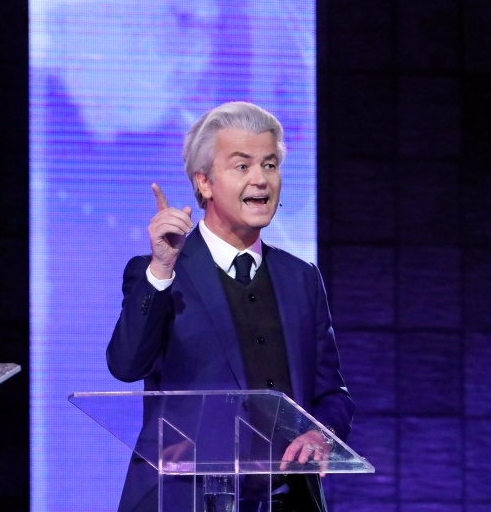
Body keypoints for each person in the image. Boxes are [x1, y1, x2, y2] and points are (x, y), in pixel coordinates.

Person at [107, 102, 354, 512]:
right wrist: (161, 270)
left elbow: (332, 393)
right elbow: (126, 365)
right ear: (203, 183)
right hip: (184, 499)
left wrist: (321, 434)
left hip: (287, 502)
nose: (260, 179)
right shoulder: (158, 272)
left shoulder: (301, 279)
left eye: (270, 165)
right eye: (242, 166)